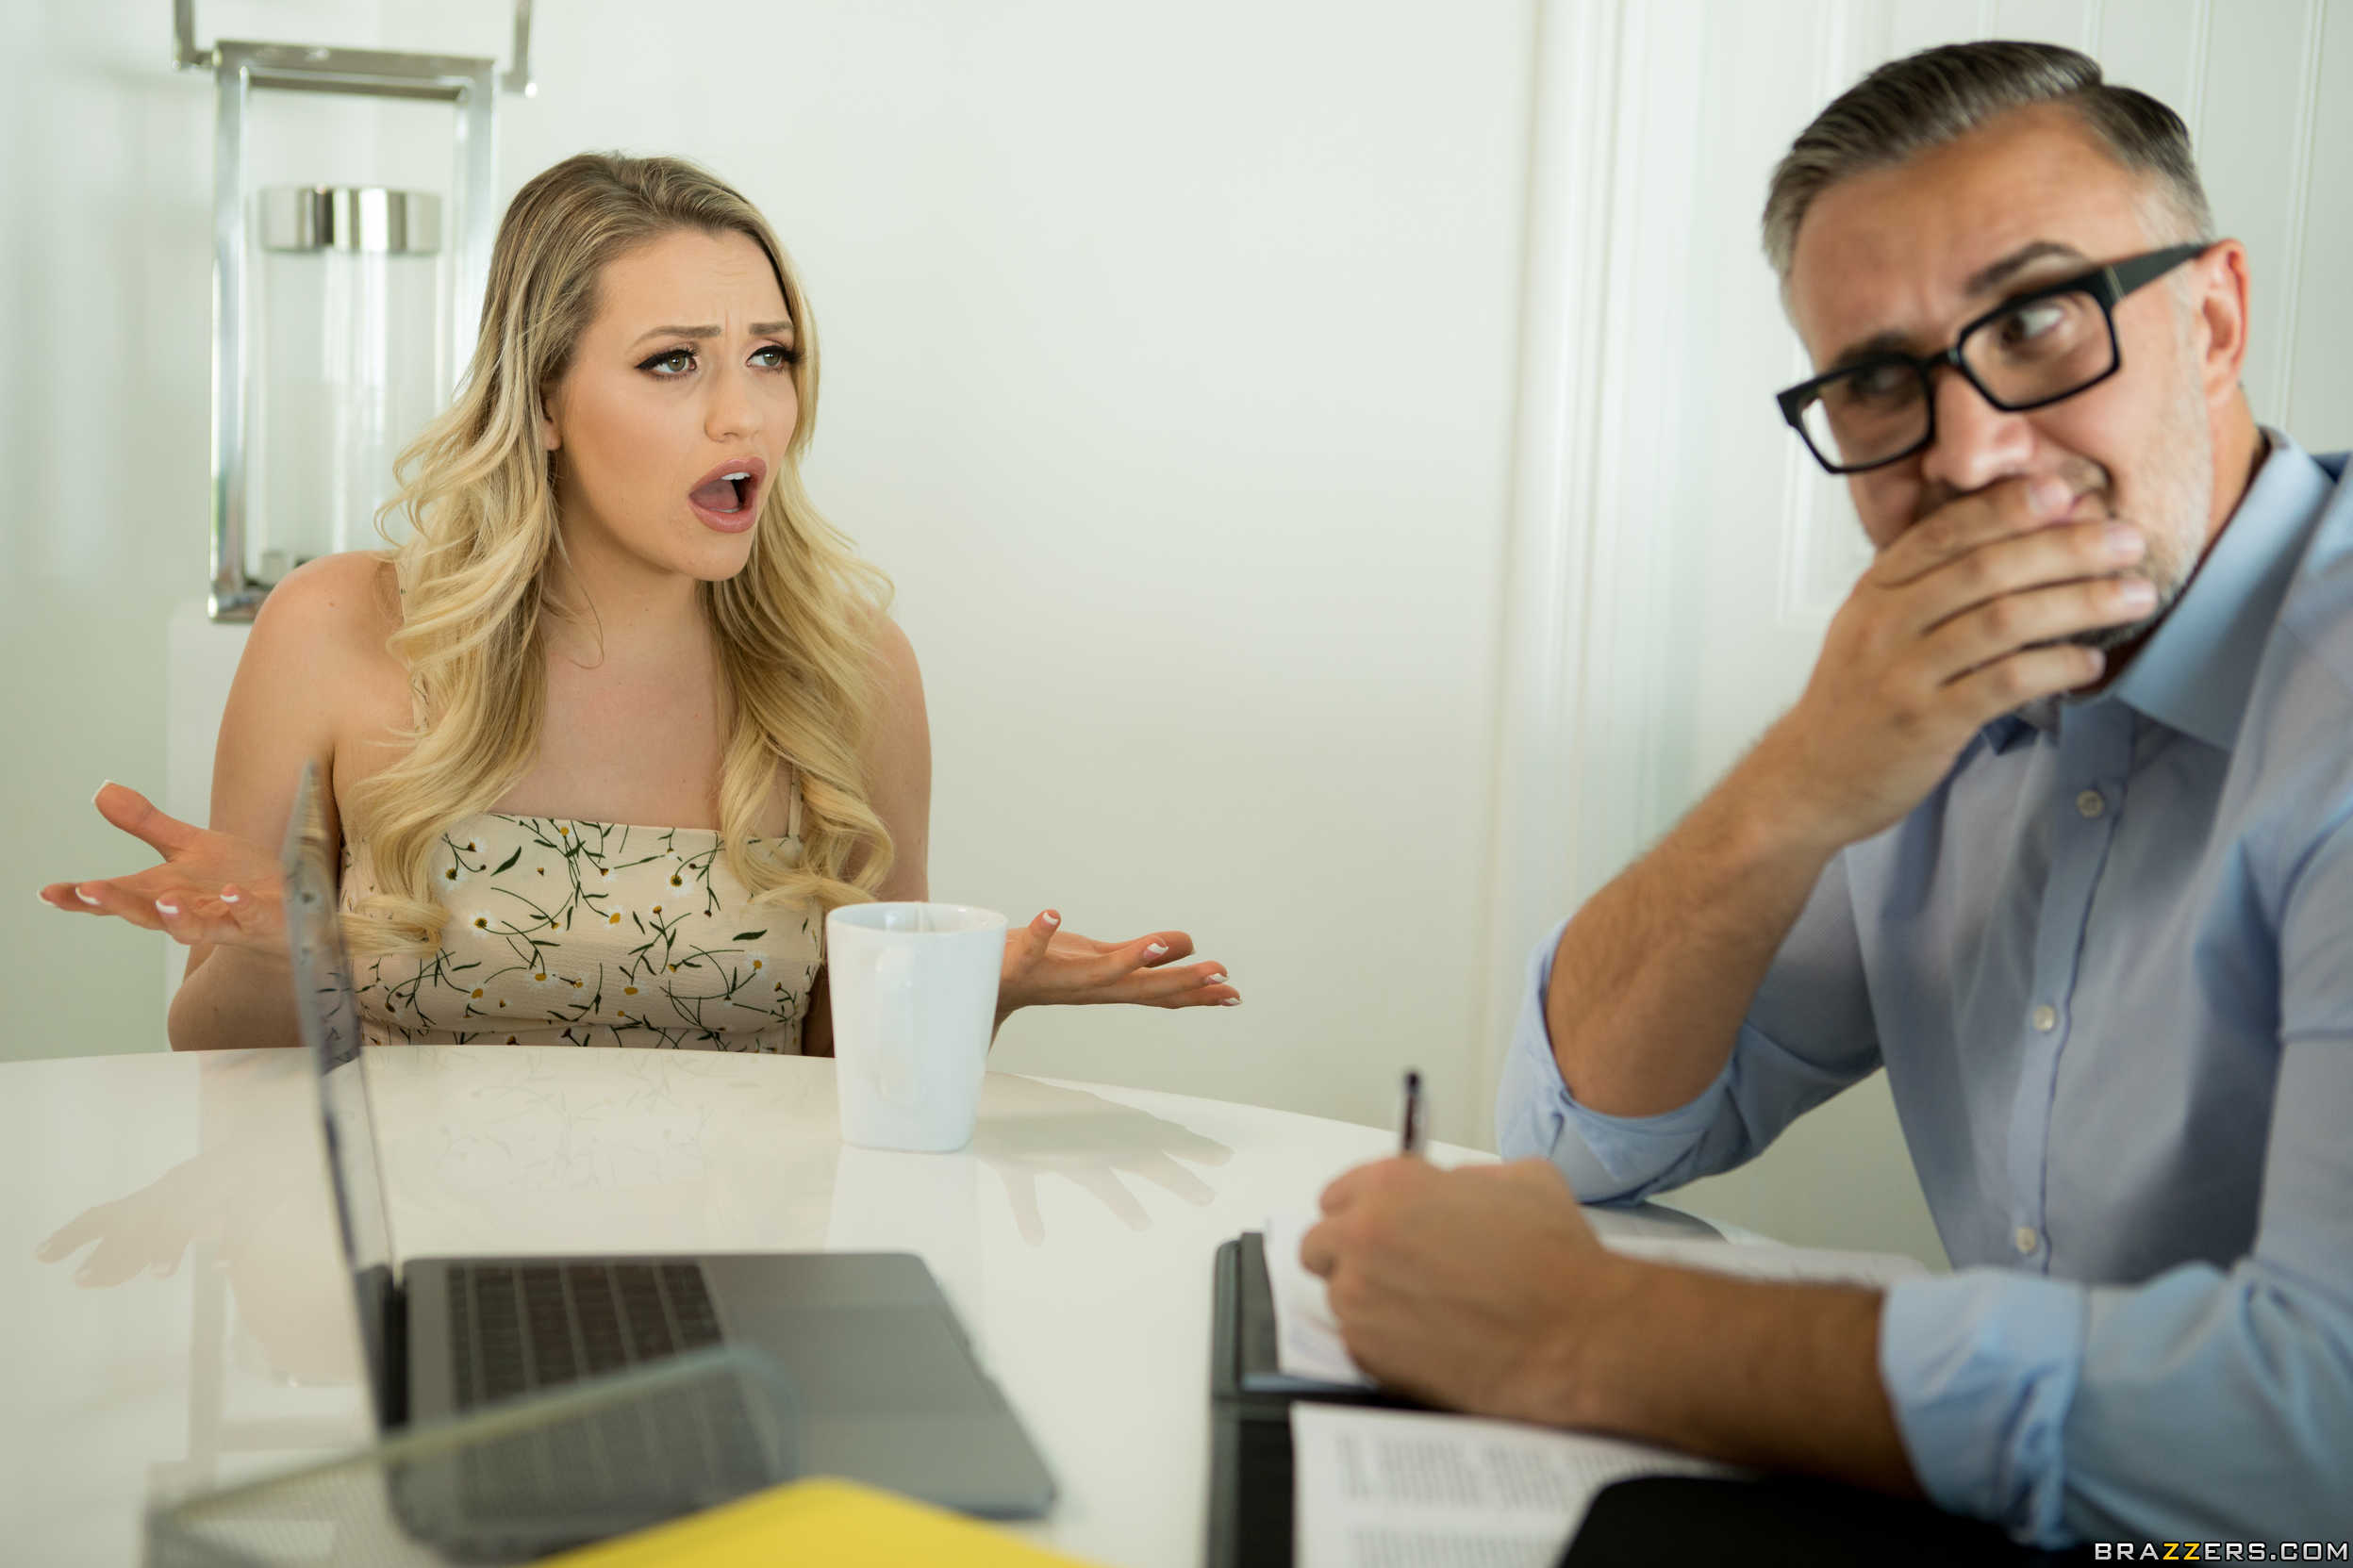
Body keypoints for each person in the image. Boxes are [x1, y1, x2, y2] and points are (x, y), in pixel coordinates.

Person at [1301, 41, 2350, 1547]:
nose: (1970, 452)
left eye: (2034, 321)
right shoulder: (1924, 698)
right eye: (1874, 383)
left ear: (2212, 318)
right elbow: (1580, 1132)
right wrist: (1794, 781)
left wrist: (1586, 1329)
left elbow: (2316, 1427)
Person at [37, 152, 1238, 1052]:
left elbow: (845, 1072)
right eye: (673, 361)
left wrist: (974, 994)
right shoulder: (335, 630)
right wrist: (269, 951)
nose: (743, 414)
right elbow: (220, 1058)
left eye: (771, 355)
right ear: (542, 400)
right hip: (416, 1269)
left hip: (740, 1277)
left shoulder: (854, 669)